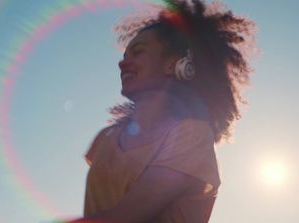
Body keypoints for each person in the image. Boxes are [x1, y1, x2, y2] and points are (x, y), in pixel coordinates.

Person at [65, 0, 256, 222]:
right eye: (124, 56)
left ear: (173, 64)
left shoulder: (192, 136)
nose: (122, 63)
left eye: (138, 52)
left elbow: (126, 217)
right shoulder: (106, 139)